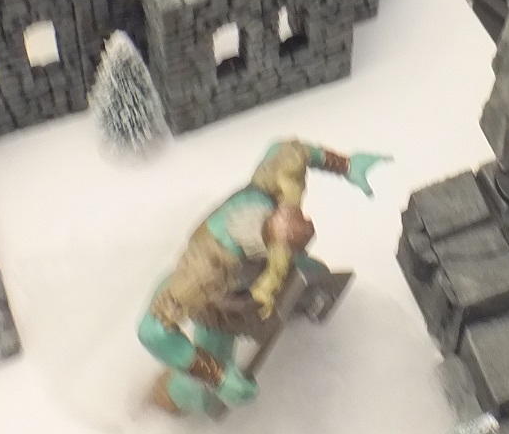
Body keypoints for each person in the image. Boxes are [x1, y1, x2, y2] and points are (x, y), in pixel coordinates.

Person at [138, 139, 387, 416]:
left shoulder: (271, 188)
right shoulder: (205, 271)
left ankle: (295, 314)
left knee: (314, 274)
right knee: (206, 397)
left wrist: (347, 165)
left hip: (262, 273)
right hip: (219, 304)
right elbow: (152, 331)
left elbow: (292, 151)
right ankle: (160, 402)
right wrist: (217, 375)